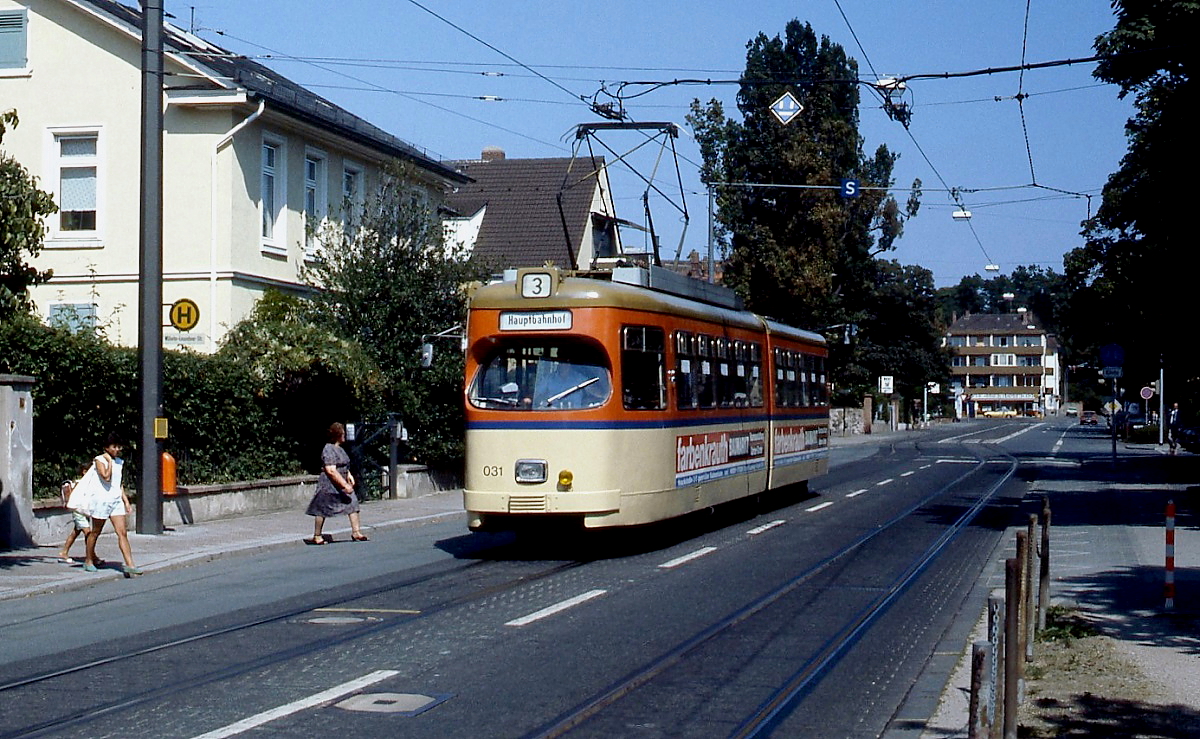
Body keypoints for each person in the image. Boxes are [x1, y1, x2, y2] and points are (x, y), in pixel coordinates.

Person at [82, 434, 141, 577]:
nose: (117, 449)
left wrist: (125, 501)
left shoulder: (120, 462)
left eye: (118, 446)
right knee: (95, 532)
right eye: (114, 446)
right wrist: (109, 462)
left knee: (122, 533)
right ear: (106, 447)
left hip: (115, 501)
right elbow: (106, 477)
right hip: (101, 501)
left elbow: (118, 483)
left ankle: (130, 564)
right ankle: (89, 560)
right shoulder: (99, 460)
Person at [305, 422, 369, 544]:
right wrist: (344, 485)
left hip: (342, 481)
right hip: (329, 484)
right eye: (343, 433)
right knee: (322, 508)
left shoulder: (340, 449)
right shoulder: (328, 449)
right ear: (337, 435)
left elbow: (344, 465)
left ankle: (356, 532)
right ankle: (317, 535)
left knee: (352, 503)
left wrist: (349, 475)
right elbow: (331, 470)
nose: (344, 435)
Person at [58, 463, 95, 564]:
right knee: (88, 533)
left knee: (75, 532)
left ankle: (64, 552)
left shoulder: (90, 483)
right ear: (84, 472)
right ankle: (92, 556)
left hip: (84, 511)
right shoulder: (80, 483)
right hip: (78, 511)